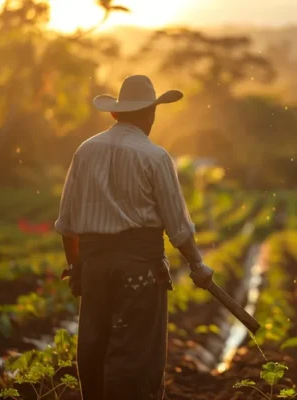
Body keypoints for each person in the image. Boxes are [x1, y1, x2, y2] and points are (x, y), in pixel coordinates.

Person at [55, 75, 214, 400]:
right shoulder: (154, 156)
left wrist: (76, 269)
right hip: (141, 269)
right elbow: (177, 227)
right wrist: (197, 265)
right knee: (137, 354)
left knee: (95, 347)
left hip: (96, 267)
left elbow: (68, 224)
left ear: (115, 114)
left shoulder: (85, 151)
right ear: (151, 114)